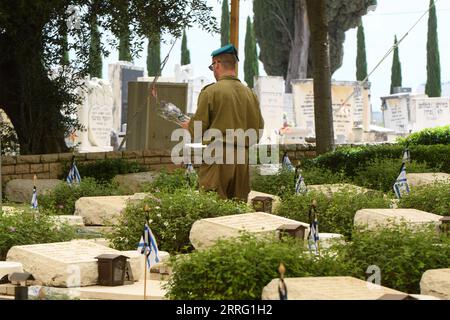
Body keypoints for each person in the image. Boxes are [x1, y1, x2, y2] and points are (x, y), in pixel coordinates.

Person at [181, 44, 264, 201]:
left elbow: (198, 128)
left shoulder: (211, 91)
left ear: (217, 64)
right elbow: (259, 128)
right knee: (237, 206)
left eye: (213, 66)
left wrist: (188, 125)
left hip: (218, 154)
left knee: (213, 204)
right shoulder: (250, 94)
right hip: (243, 156)